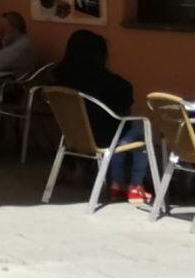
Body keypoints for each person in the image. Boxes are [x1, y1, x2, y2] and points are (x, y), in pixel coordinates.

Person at [53, 30, 151, 204]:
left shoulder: (58, 77)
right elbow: (123, 109)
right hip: (103, 137)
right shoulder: (113, 83)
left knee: (123, 134)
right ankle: (134, 185)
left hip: (72, 136)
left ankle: (116, 183)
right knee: (139, 128)